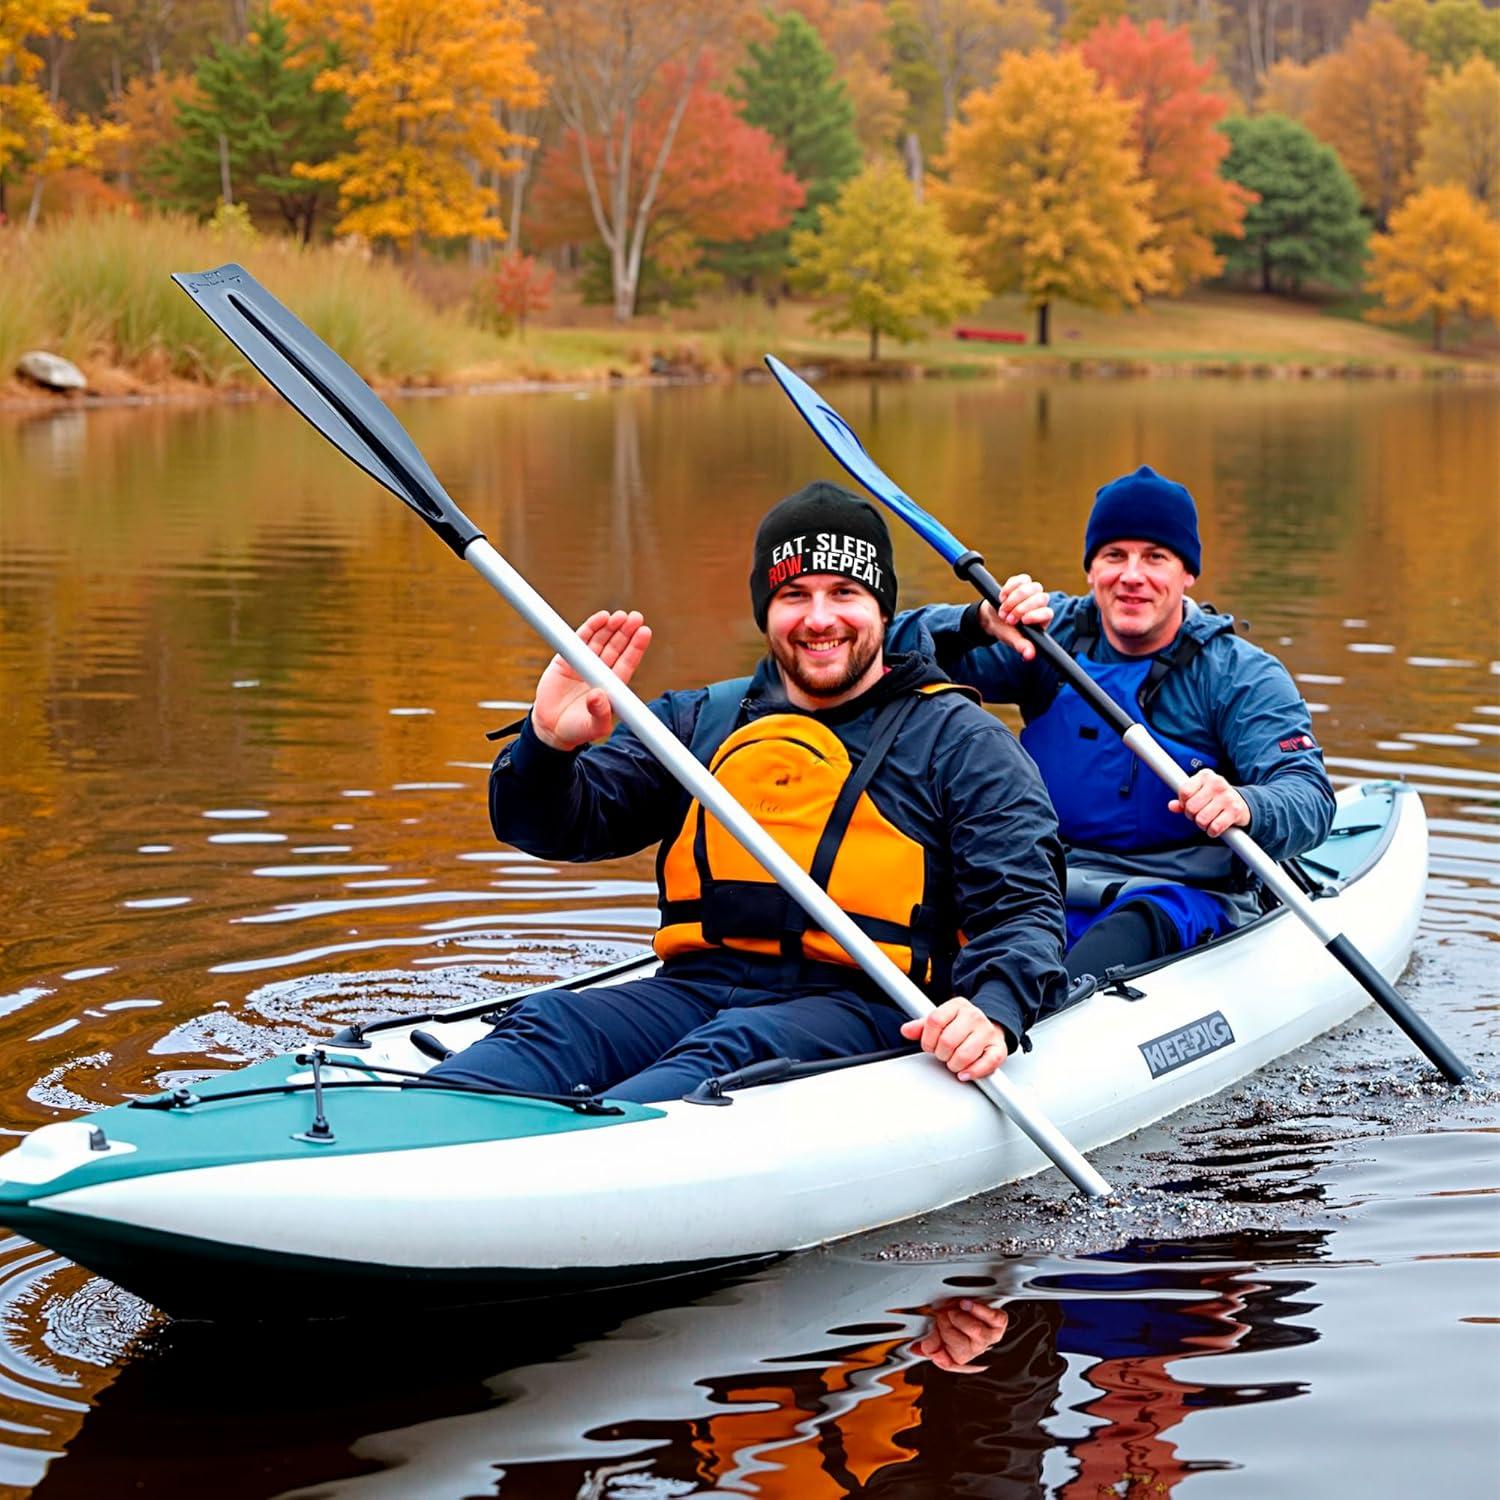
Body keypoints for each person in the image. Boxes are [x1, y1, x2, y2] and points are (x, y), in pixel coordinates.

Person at [430, 481, 1069, 1103]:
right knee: (551, 1024)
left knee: (729, 1050)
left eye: (844, 592)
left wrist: (994, 1007)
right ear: (766, 611)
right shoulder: (701, 721)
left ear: (883, 610)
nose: (819, 618)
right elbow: (549, 828)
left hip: (866, 1006)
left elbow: (1023, 910)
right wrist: (547, 745)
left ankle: (592, 1153)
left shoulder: (964, 743)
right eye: (794, 595)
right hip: (695, 988)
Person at [888, 465, 1334, 982]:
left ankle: (1039, 1008)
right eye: (1114, 555)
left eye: (1155, 557)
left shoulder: (1239, 674)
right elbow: (880, 654)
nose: (1132, 575)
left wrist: (1246, 804)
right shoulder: (1045, 637)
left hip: (1177, 898)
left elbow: (1310, 796)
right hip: (1042, 886)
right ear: (1091, 569)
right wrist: (975, 622)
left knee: (1105, 945)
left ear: (1187, 573)